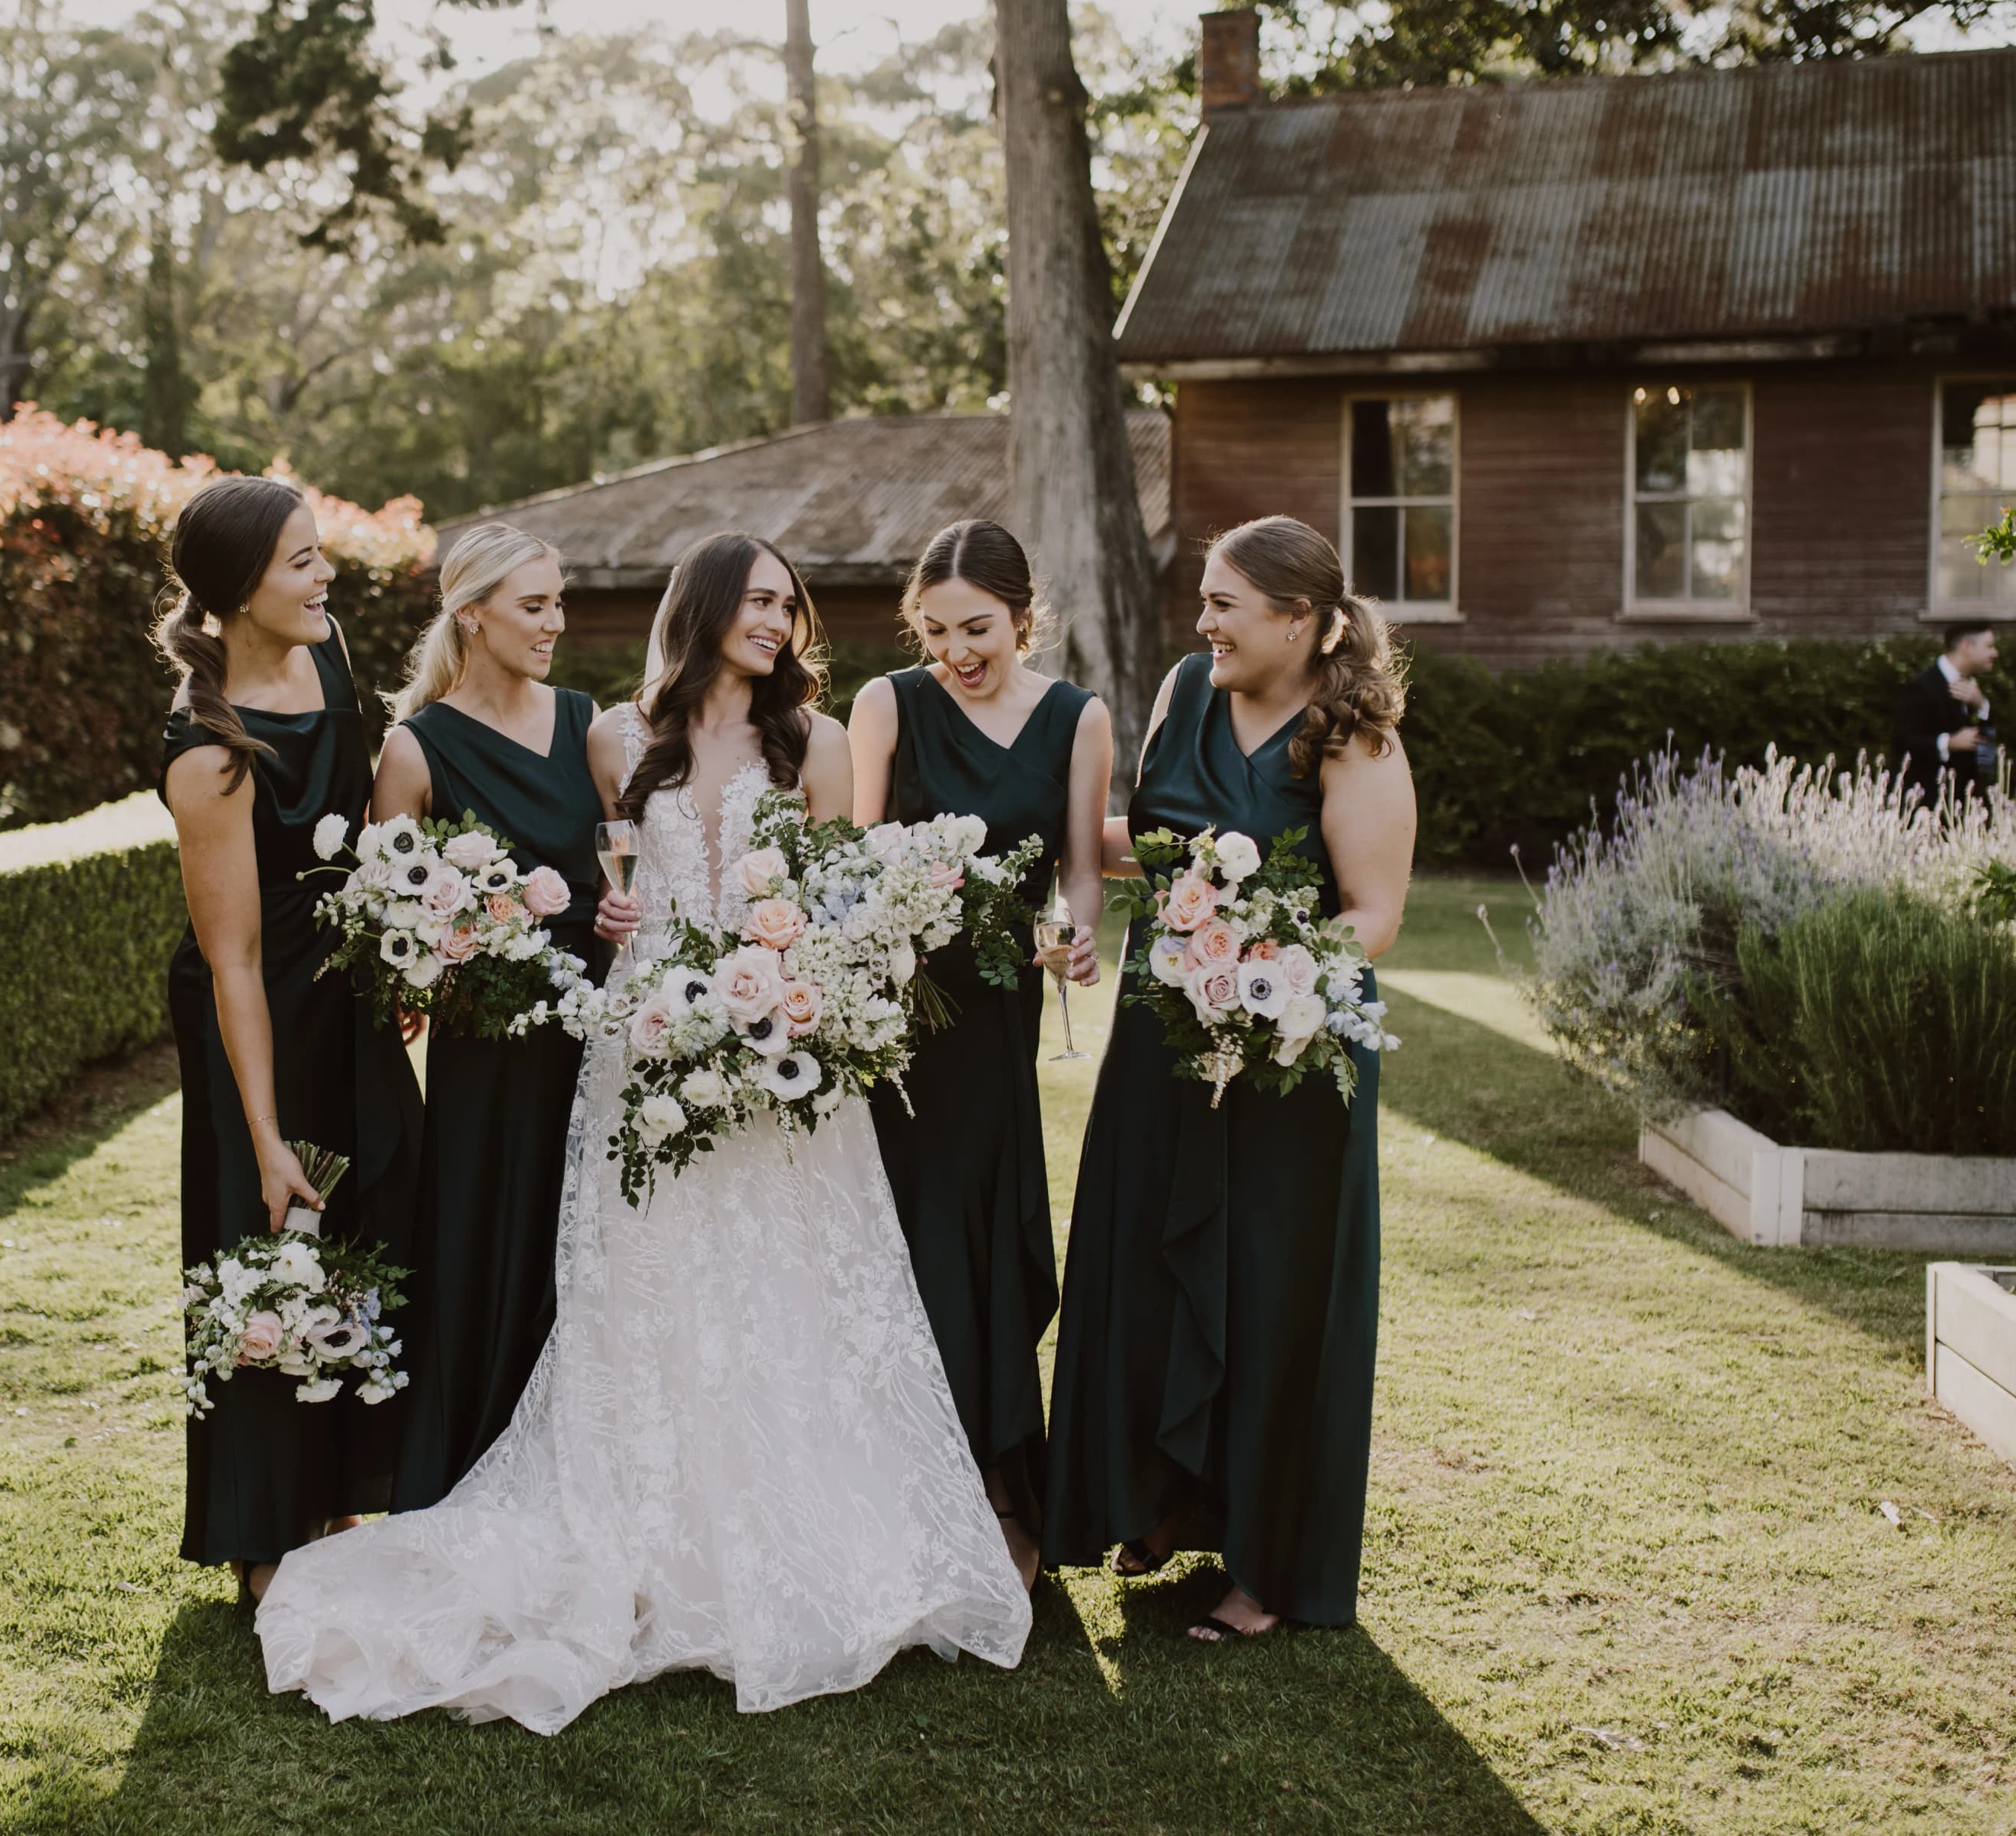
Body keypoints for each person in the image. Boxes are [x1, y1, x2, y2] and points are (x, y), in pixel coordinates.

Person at [255, 533, 1030, 1732]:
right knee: (650, 1306)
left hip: (786, 1055)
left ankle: (807, 1530)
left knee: (795, 1297)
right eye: (761, 600)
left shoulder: (818, 746)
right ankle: (651, 1533)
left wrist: (794, 992)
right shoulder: (615, 739)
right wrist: (620, 920)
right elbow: (597, 886)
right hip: (643, 1052)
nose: (779, 622)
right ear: (709, 605)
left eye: (790, 604)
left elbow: (837, 903)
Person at [1044, 514, 1414, 1644]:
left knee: (1272, 1295)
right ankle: (1159, 1506)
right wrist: (1040, 840)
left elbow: (1377, 918)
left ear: (1299, 620)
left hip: (1287, 1063)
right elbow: (1150, 839)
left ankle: (1265, 1566)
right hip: (1165, 1044)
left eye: (1224, 605)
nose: (1202, 622)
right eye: (1203, 600)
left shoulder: (1355, 736)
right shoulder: (1182, 694)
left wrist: (1265, 973)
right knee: (1146, 1265)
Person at [158, 476, 424, 1607]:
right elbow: (232, 959)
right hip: (257, 1013)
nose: (328, 580)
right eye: (302, 564)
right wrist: (263, 1133)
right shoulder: (206, 753)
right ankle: (264, 1537)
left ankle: (348, 1489)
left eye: (323, 557)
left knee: (377, 1208)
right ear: (236, 592)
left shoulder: (333, 659)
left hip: (348, 997)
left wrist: (400, 943)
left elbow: (362, 833)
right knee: (273, 1235)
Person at [848, 520, 1112, 1591]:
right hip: (899, 1020)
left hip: (998, 1013)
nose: (957, 651)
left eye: (979, 629)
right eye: (937, 629)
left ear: (1022, 616)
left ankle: (1001, 1483)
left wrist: (1079, 931)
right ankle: (900, 1486)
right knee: (904, 1242)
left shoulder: (1075, 719)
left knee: (987, 1237)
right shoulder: (886, 706)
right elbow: (851, 863)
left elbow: (1083, 868)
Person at [370, 524, 612, 1508]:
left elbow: (626, 859)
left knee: (585, 1243)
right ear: (471, 612)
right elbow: (388, 927)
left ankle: (584, 1470)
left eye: (559, 601)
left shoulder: (587, 722)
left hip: (596, 1032)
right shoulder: (413, 750)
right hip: (486, 1050)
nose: (555, 623)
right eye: (534, 605)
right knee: (486, 1239)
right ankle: (472, 1467)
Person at [1894, 621, 1999, 802]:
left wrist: (1982, 705)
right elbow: (1903, 741)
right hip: (1929, 803)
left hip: (1964, 803)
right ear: (1966, 646)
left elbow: (1987, 752)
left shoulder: (1972, 688)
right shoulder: (1922, 687)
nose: (1995, 653)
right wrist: (1948, 742)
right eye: (1989, 646)